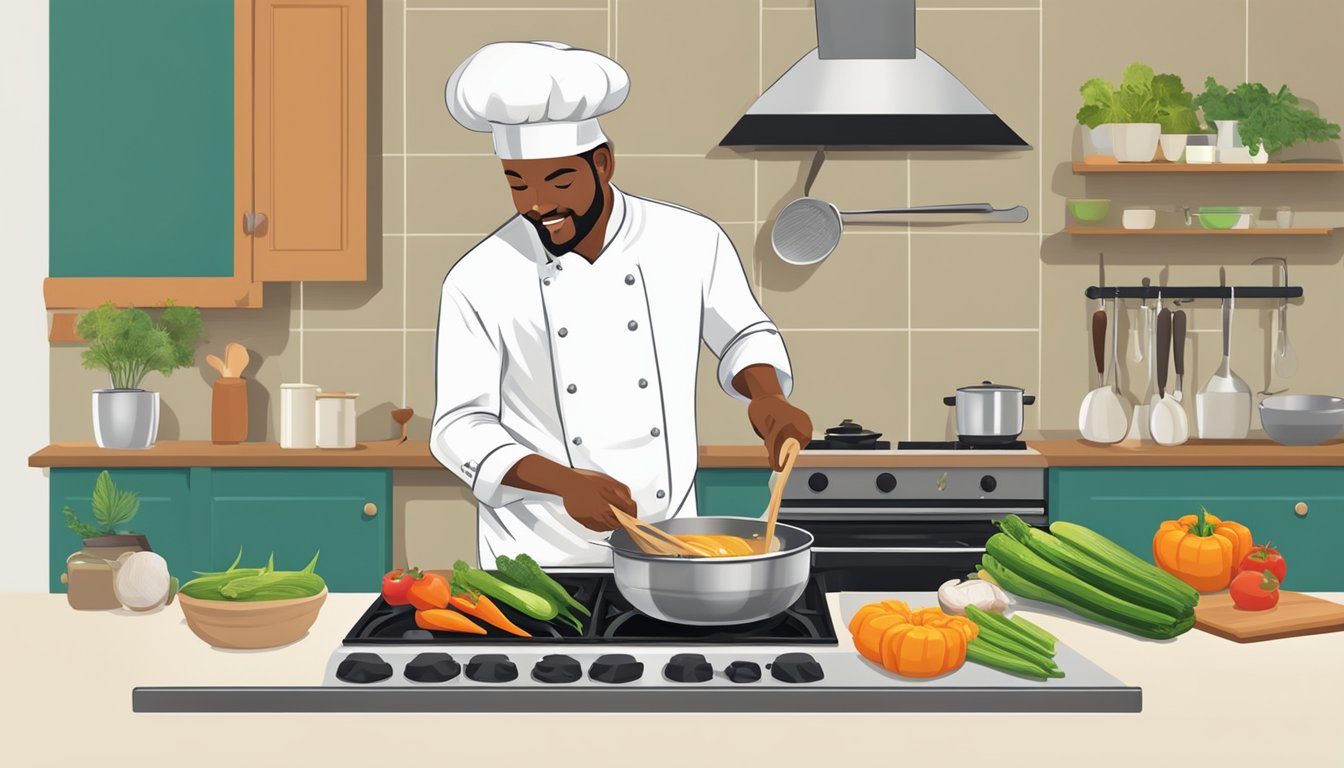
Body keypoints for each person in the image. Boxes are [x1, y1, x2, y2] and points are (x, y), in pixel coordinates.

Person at [431, 41, 812, 567]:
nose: (537, 205)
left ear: (602, 163)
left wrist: (766, 398)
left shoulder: (689, 239)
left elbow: (743, 335)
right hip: (541, 555)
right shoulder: (479, 278)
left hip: (672, 544)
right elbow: (459, 427)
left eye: (558, 179)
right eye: (517, 183)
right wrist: (563, 483)